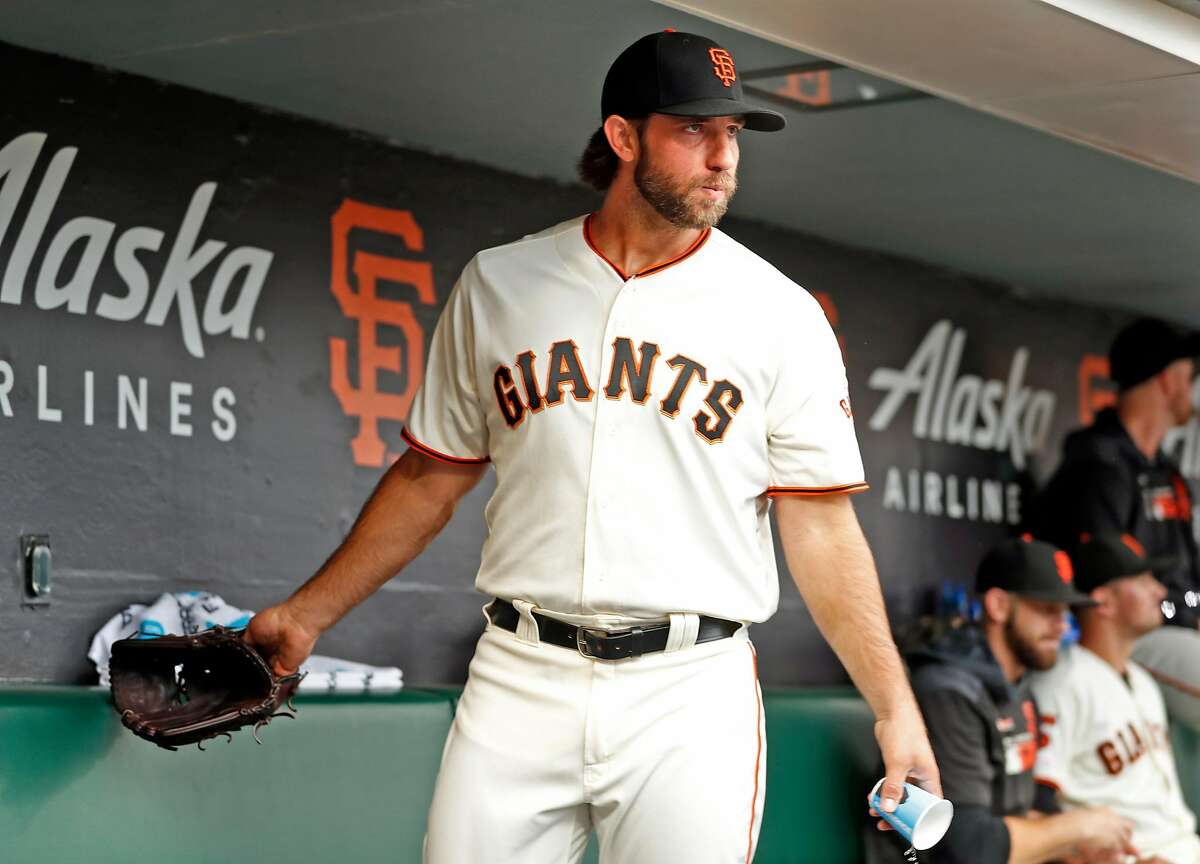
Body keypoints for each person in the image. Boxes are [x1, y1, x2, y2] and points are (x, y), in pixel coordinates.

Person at [245, 29, 940, 864]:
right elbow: (431, 476)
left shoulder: (780, 313)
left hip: (688, 688)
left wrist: (895, 707)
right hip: (519, 673)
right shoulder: (500, 283)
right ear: (622, 137)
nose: (723, 156)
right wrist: (303, 616)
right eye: (694, 130)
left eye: (734, 134)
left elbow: (822, 528)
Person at [902, 537, 1133, 863]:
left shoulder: (1020, 688)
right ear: (998, 605)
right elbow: (965, 849)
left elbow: (1031, 812)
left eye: (1066, 611)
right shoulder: (946, 691)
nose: (1062, 625)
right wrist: (1079, 828)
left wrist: (1082, 852)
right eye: (1047, 609)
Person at [1029, 317, 1200, 730]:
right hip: (1127, 633)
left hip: (1175, 626)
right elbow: (1105, 580)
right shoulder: (1098, 463)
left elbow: (1191, 577)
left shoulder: (1168, 473)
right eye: (1192, 373)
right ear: (1170, 378)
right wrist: (1178, 609)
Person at [1031, 533, 1200, 864]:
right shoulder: (1060, 683)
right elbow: (1038, 815)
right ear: (1103, 601)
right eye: (1142, 580)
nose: (1160, 590)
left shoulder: (1144, 682)